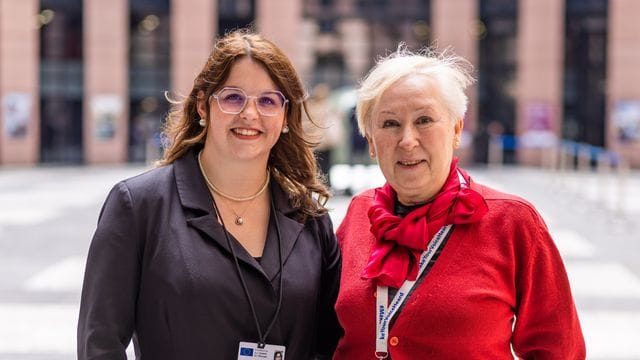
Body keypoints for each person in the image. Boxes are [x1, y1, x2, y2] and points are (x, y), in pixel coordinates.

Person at [77, 29, 342, 359]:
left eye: (268, 101)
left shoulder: (310, 218)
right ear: (203, 105)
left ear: (285, 116)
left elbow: (333, 344)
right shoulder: (139, 206)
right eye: (233, 97)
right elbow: (100, 344)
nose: (249, 114)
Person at [332, 46, 585, 359]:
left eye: (424, 120)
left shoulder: (513, 221)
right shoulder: (359, 213)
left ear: (455, 130)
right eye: (389, 124)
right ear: (370, 142)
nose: (407, 140)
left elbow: (558, 350)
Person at [302, 83, 343, 187]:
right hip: (321, 142)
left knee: (321, 165)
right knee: (323, 165)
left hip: (318, 142)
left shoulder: (311, 107)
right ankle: (322, 183)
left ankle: (320, 183)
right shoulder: (325, 107)